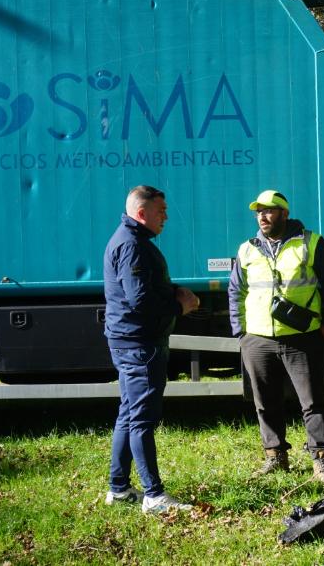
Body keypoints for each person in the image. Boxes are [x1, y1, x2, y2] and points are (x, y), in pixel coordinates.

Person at [228, 190, 324, 481]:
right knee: (265, 401)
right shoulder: (247, 249)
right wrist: (240, 333)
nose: (262, 217)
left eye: (269, 211)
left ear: (284, 213)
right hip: (258, 339)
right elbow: (236, 292)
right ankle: (276, 455)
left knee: (312, 400)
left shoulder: (311, 242)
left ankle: (321, 458)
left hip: (302, 337)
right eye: (259, 212)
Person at [103, 185, 200, 514]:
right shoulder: (133, 246)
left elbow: (141, 289)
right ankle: (154, 496)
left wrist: (174, 290)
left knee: (129, 415)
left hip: (129, 341)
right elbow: (140, 301)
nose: (167, 217)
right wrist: (179, 306)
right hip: (139, 344)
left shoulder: (131, 240)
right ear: (141, 213)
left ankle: (118, 489)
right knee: (142, 419)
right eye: (161, 212)